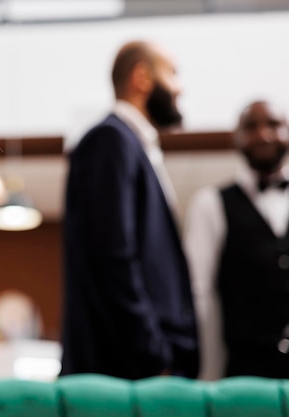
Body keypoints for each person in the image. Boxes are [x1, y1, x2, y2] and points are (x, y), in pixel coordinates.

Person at [60, 40, 199, 379]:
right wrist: (155, 356)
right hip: (126, 372)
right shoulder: (110, 140)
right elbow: (113, 257)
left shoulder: (130, 144)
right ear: (142, 77)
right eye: (173, 74)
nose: (180, 88)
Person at [184, 100, 289, 380]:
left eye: (273, 125)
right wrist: (207, 377)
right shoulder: (211, 204)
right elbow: (200, 294)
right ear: (237, 138)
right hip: (242, 378)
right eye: (251, 126)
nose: (263, 134)